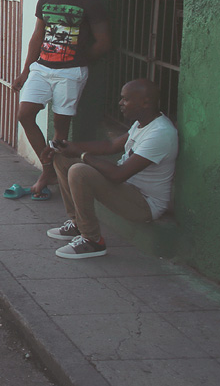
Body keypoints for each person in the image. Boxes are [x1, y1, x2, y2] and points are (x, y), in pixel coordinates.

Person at [9, 0, 111, 201]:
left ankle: (52, 174)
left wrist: (79, 59)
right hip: (42, 68)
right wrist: (25, 71)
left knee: (60, 130)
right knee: (24, 114)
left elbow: (103, 42)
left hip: (70, 72)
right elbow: (37, 37)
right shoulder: (45, 1)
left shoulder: (89, 2)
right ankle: (48, 171)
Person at [43, 79, 178, 259]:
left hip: (144, 204)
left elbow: (118, 175)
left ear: (145, 102)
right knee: (62, 158)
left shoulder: (160, 133)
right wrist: (70, 146)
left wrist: (82, 154)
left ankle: (92, 241)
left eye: (126, 99)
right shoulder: (142, 123)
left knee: (79, 171)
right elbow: (111, 145)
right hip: (127, 189)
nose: (120, 103)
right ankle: (78, 223)